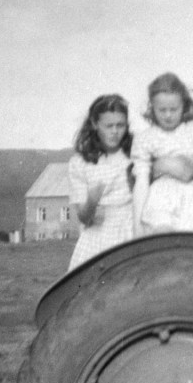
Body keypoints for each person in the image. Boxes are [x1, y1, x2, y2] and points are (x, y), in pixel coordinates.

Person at [132, 72, 193, 235]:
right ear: (152, 107)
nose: (168, 115)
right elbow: (141, 182)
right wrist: (137, 225)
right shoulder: (146, 138)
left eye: (174, 109)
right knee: (163, 235)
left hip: (192, 196)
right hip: (160, 198)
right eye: (162, 110)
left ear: (184, 106)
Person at [66, 94, 135, 271]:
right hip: (97, 236)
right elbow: (83, 217)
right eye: (109, 126)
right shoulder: (80, 163)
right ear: (95, 124)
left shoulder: (135, 154)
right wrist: (92, 200)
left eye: (120, 125)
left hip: (130, 232)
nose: (115, 131)